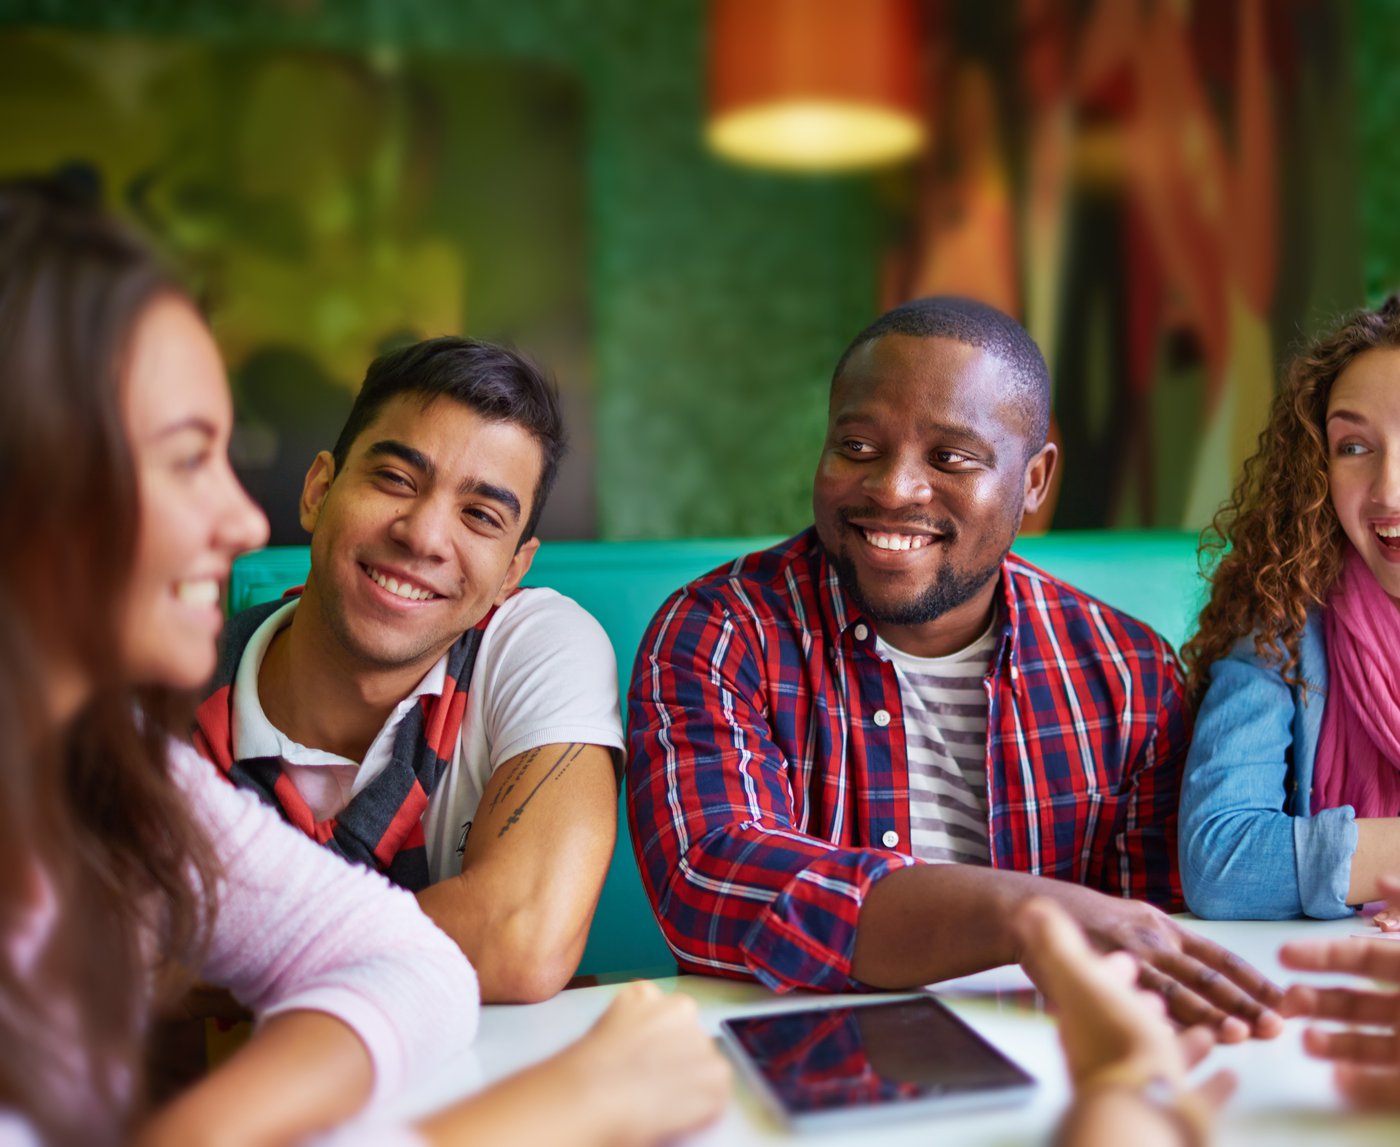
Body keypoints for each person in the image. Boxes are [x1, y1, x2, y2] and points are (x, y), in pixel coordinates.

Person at [0, 177, 729, 1146]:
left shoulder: (99, 757)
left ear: (515, 569)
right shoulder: (163, 720)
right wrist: (558, 1113)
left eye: (479, 514)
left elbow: (452, 950)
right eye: (185, 458)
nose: (238, 519)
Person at [627, 295, 1282, 1038]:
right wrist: (1028, 913)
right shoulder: (720, 631)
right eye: (858, 448)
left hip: (1060, 1065)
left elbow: (1148, 949)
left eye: (950, 458)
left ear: (1034, 480)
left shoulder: (1128, 673)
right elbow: (711, 881)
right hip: (800, 1063)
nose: (893, 488)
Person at [193, 337, 624, 1003]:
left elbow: (519, 940)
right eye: (396, 479)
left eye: (480, 516)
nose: (423, 535)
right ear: (318, 490)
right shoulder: (174, 693)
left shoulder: (534, 643)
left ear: (513, 570)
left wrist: (212, 959)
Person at [1179, 298, 1400, 921]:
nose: (1388, 490)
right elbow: (1219, 861)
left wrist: (1359, 860)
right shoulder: (1282, 619)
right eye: (1354, 447)